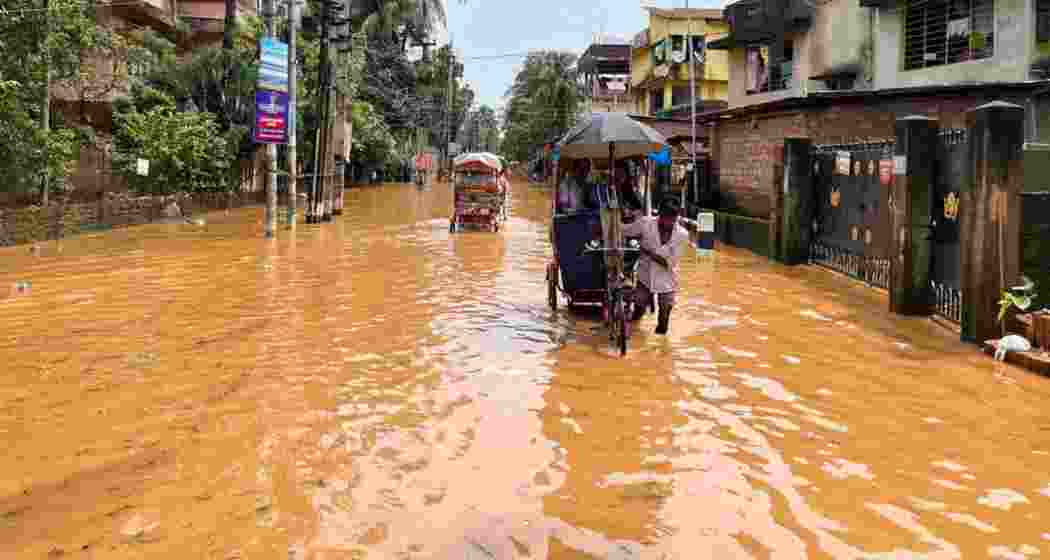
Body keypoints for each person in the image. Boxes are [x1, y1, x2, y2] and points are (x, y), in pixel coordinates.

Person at [622, 199, 690, 335]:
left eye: (672, 219)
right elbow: (625, 230)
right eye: (666, 218)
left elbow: (669, 263)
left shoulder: (682, 235)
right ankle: (634, 330)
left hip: (667, 280)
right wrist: (609, 222)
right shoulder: (645, 223)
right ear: (660, 215)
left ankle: (661, 347)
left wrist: (647, 252)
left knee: (664, 316)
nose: (669, 223)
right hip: (645, 275)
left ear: (676, 218)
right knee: (638, 310)